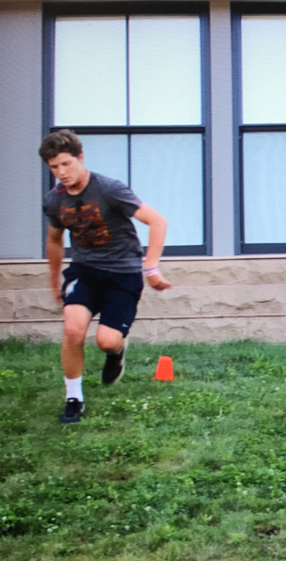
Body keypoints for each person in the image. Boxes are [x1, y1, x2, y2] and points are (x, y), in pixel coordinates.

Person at [39, 129, 171, 424]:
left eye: (66, 164)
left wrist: (151, 267)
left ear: (81, 158)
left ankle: (117, 351)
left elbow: (157, 221)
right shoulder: (54, 201)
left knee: (107, 341)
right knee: (73, 330)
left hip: (123, 273)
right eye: (54, 167)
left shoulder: (109, 189)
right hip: (85, 271)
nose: (61, 172)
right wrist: (53, 281)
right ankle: (74, 399)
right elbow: (54, 240)